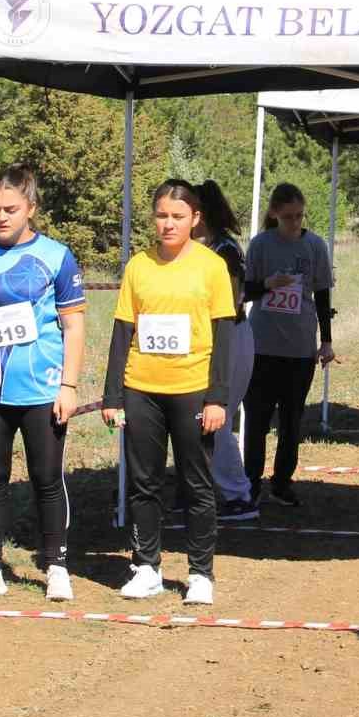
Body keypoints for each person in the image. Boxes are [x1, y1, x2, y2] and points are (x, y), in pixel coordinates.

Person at [0, 165, 87, 603]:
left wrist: (69, 385)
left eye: (10, 209)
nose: (1, 217)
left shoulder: (57, 256)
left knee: (46, 478)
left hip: (42, 390)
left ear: (31, 208)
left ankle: (56, 566)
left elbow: (74, 324)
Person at [102, 181, 235, 605]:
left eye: (178, 216)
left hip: (194, 389)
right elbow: (123, 331)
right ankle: (147, 566)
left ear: (195, 219)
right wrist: (112, 396)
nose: (169, 224)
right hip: (143, 388)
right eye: (162, 215)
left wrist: (218, 398)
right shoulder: (137, 266)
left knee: (196, 484)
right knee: (144, 483)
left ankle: (200, 572)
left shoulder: (212, 267)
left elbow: (224, 335)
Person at [243, 183, 336, 507]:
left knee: (291, 421)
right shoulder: (260, 245)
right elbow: (245, 290)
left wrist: (326, 341)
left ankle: (282, 483)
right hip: (262, 346)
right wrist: (268, 284)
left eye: (299, 216)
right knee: (256, 420)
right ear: (274, 214)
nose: (295, 223)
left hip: (299, 348)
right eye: (288, 217)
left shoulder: (315, 246)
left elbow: (323, 294)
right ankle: (250, 483)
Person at [195, 180, 261, 522]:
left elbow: (231, 300)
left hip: (228, 336)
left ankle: (239, 495)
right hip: (204, 339)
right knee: (197, 420)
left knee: (216, 417)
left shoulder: (225, 250)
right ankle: (201, 491)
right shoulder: (197, 247)